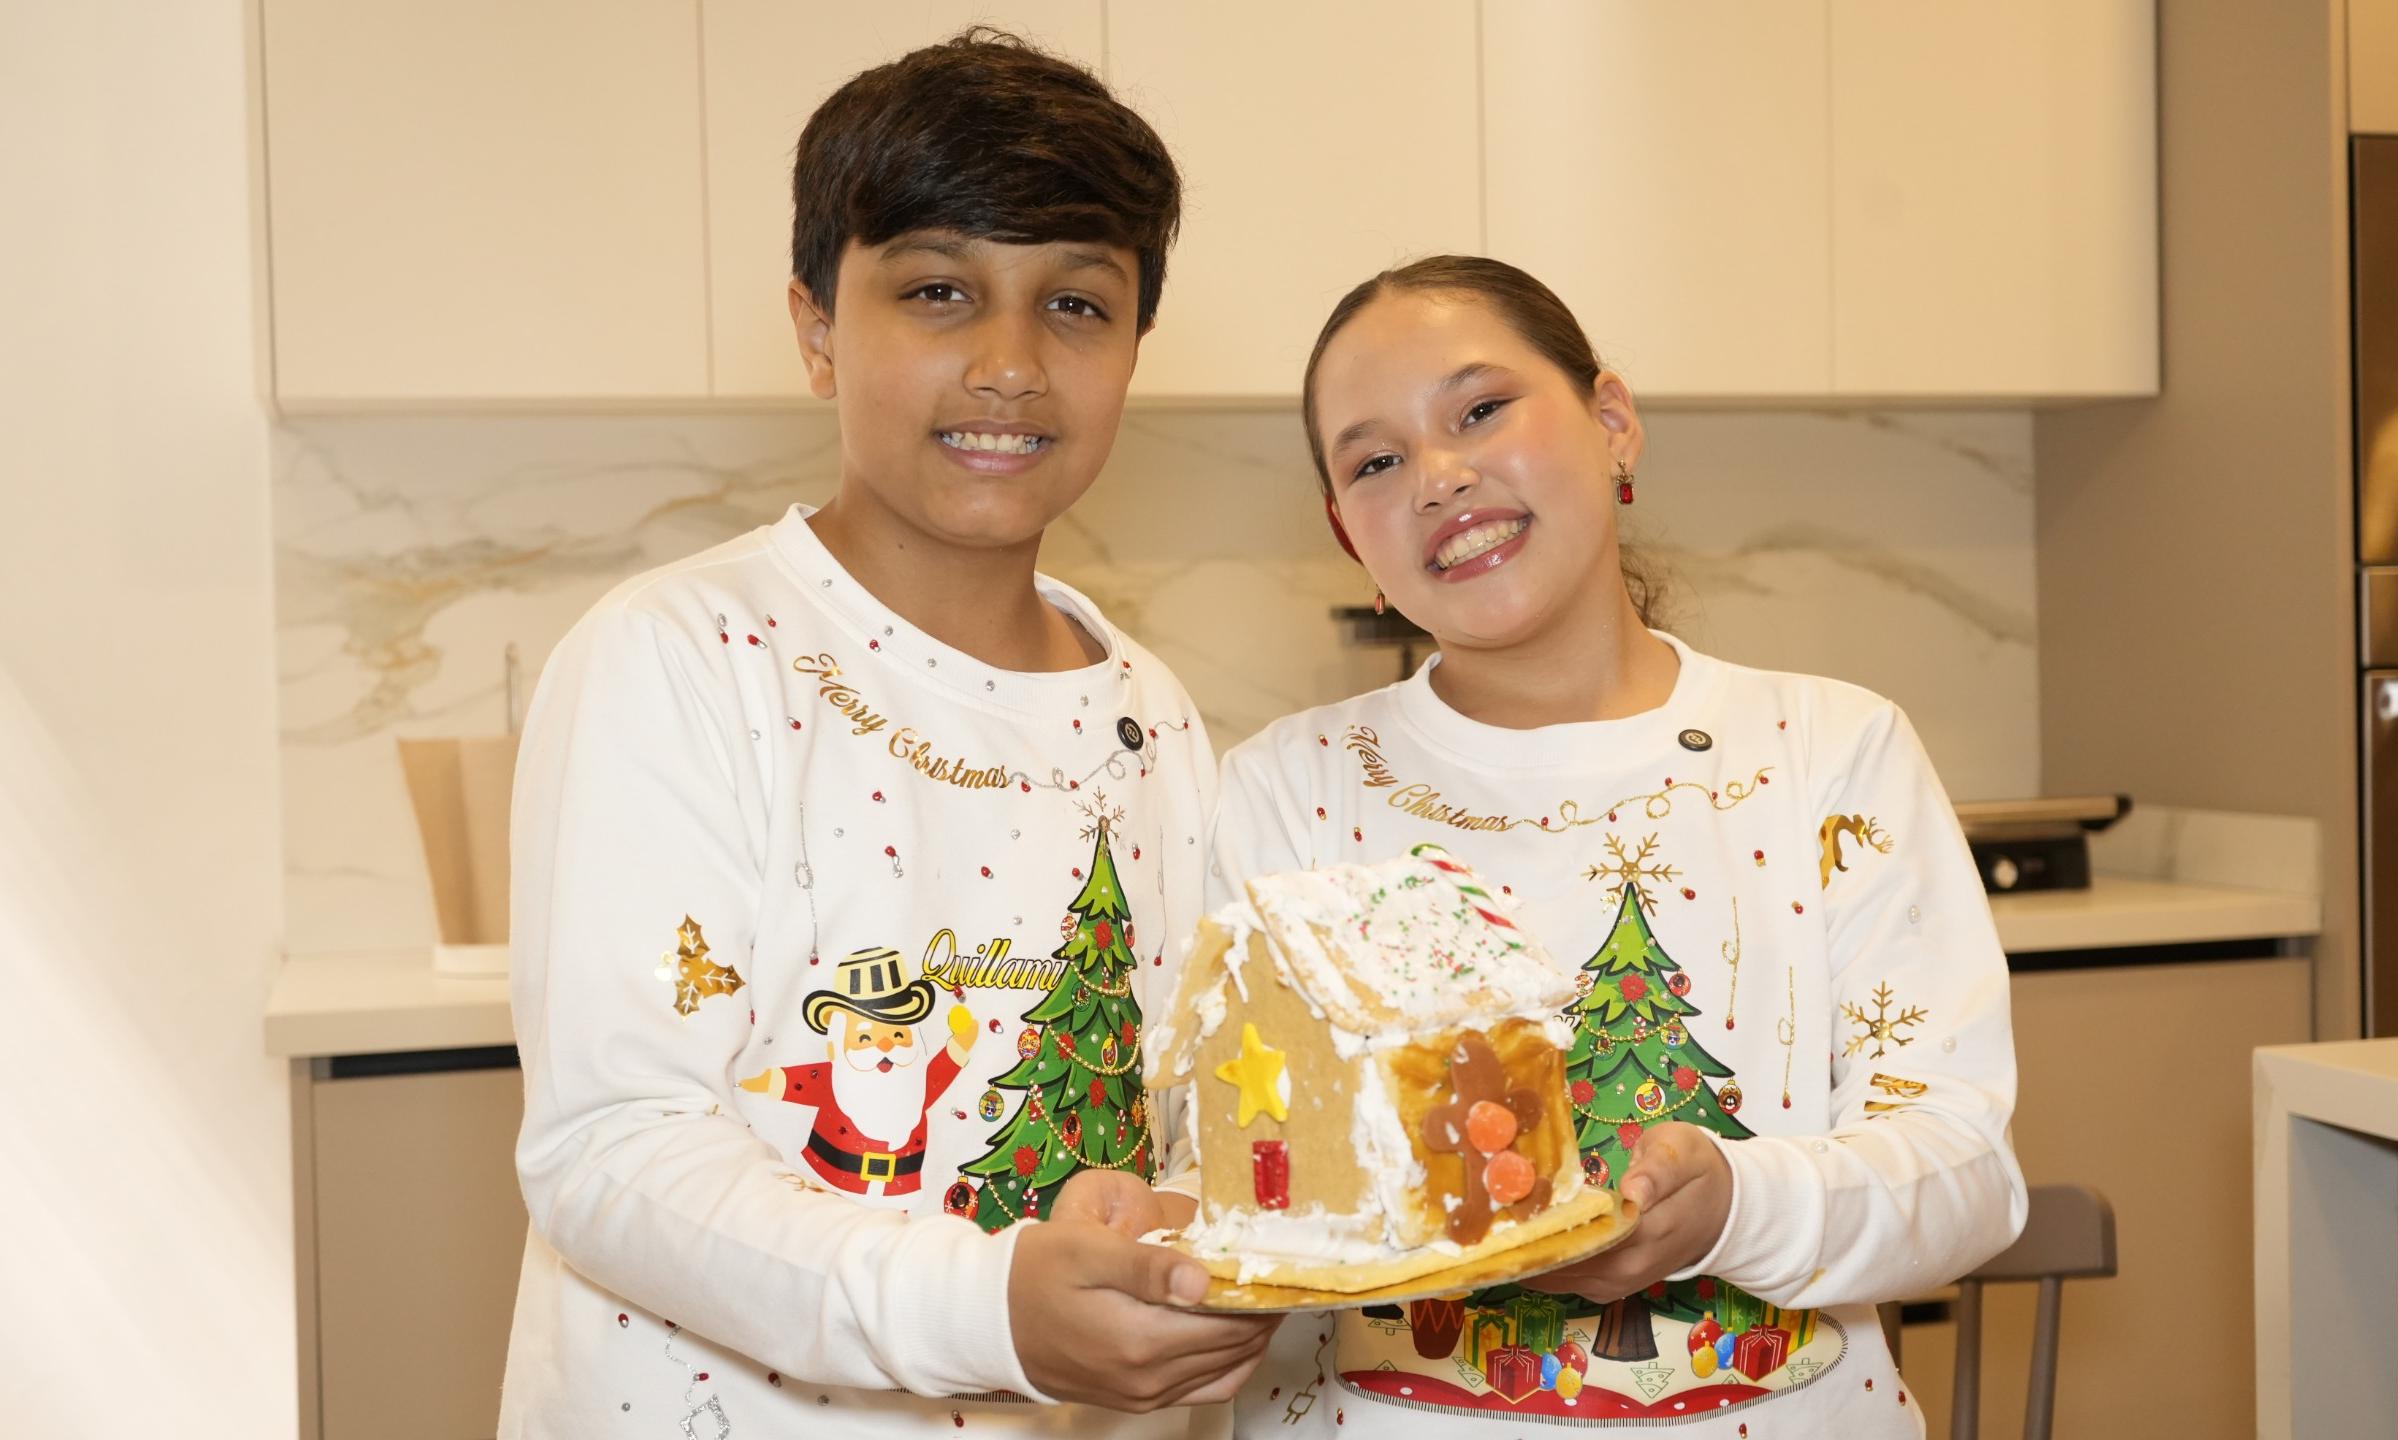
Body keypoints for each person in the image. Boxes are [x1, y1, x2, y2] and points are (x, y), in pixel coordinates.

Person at [498, 30, 1275, 1438]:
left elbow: (1171, 1127)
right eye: (937, 291)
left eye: (1077, 307)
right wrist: (987, 1309)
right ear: (814, 327)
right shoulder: (683, 660)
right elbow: (613, 1151)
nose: (1010, 364)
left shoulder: (1150, 715)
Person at [1207, 256, 2025, 1435]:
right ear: (1350, 537)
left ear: (1612, 421)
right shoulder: (1288, 789)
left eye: (1481, 409)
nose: (1439, 475)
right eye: (1376, 461)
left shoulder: (1826, 753)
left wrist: (1734, 1204)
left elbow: (1962, 1177)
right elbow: (1246, 1175)